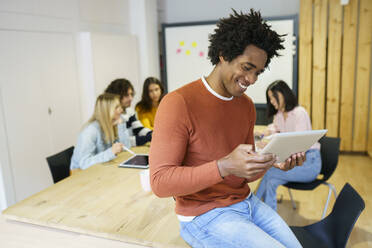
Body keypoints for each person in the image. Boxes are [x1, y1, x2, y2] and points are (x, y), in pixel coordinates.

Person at [149, 9, 305, 248]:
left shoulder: (247, 106)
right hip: (203, 215)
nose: (252, 80)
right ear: (223, 55)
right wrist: (223, 166)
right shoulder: (178, 103)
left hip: (247, 202)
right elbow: (160, 182)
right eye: (246, 67)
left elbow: (244, 173)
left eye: (258, 72)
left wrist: (272, 161)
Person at [255, 80, 321, 211]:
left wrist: (270, 145)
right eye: (270, 98)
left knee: (270, 172)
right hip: (292, 162)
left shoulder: (299, 113)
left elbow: (297, 145)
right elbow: (273, 130)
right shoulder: (279, 115)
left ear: (284, 94)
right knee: (271, 182)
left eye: (274, 97)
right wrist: (263, 136)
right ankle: (264, 214)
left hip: (308, 163)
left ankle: (254, 207)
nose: (272, 101)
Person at [70, 93, 131, 170]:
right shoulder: (90, 131)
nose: (121, 110)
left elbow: (126, 147)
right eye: (117, 107)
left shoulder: (111, 124)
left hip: (100, 169)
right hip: (81, 174)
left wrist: (121, 125)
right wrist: (110, 152)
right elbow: (84, 163)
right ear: (106, 111)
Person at [105, 78, 152, 146]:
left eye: (131, 94)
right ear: (117, 96)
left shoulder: (129, 110)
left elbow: (139, 129)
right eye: (127, 95)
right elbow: (122, 142)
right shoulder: (112, 115)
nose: (131, 98)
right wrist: (148, 138)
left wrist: (152, 134)